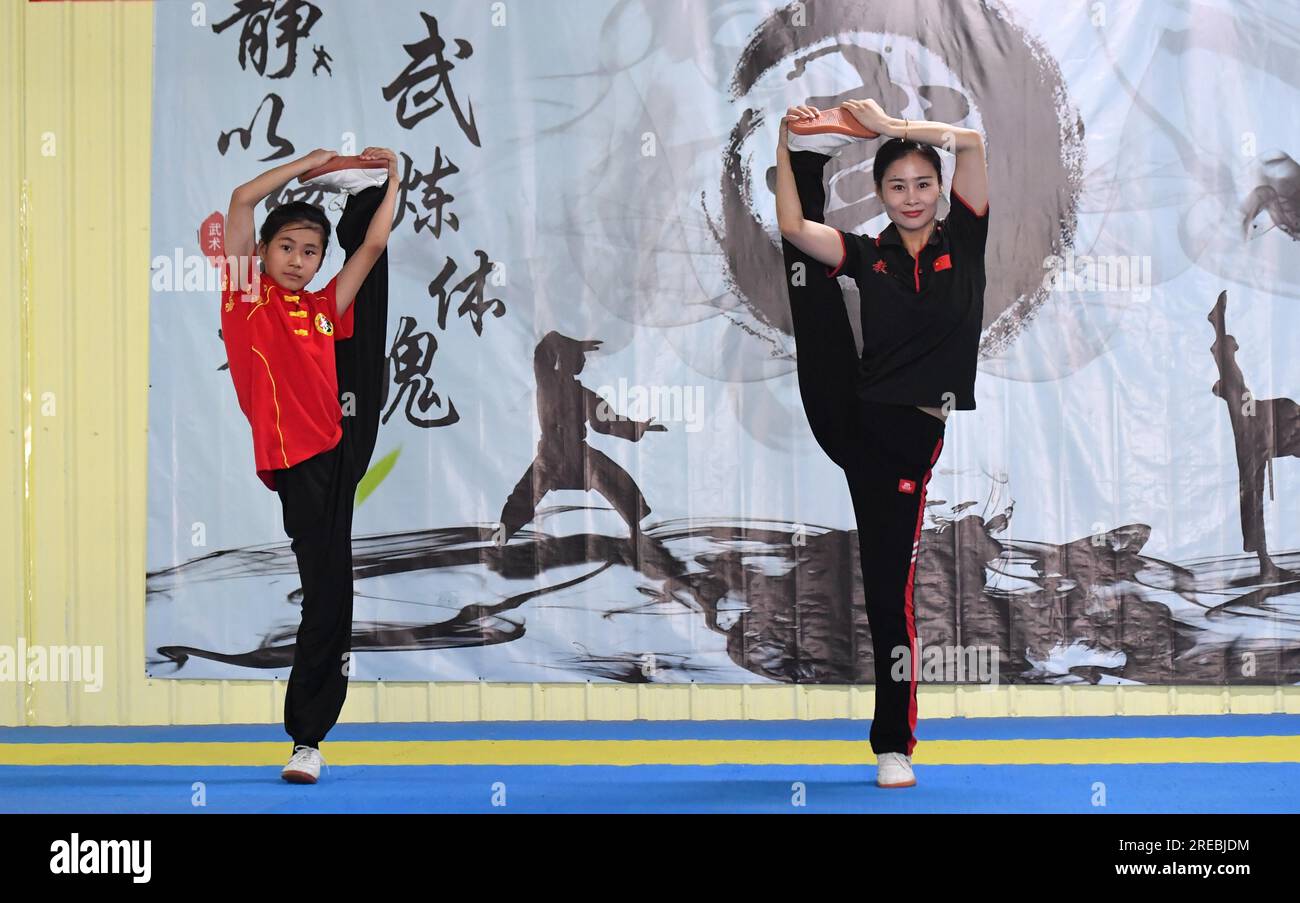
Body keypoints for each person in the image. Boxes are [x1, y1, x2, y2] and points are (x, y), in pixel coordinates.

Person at [774, 99, 990, 788]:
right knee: (813, 293)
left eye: (922, 183)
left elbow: (972, 142)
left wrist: (892, 129)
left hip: (904, 444)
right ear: (882, 195)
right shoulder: (871, 254)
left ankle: (892, 745)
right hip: (853, 411)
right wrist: (785, 140)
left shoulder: (967, 240)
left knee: (887, 593)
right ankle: (809, 159)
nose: (911, 197)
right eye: (896, 186)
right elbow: (790, 227)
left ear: (938, 188)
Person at [219, 147, 399, 783]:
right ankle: (308, 735)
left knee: (331, 594)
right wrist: (305, 166)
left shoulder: (324, 309)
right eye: (288, 247)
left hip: (336, 451)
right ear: (264, 252)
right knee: (326, 594)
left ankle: (308, 740)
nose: (299, 261)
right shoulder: (245, 297)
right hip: (295, 465)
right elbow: (243, 198)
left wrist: (393, 177)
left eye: (311, 252)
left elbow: (371, 251)